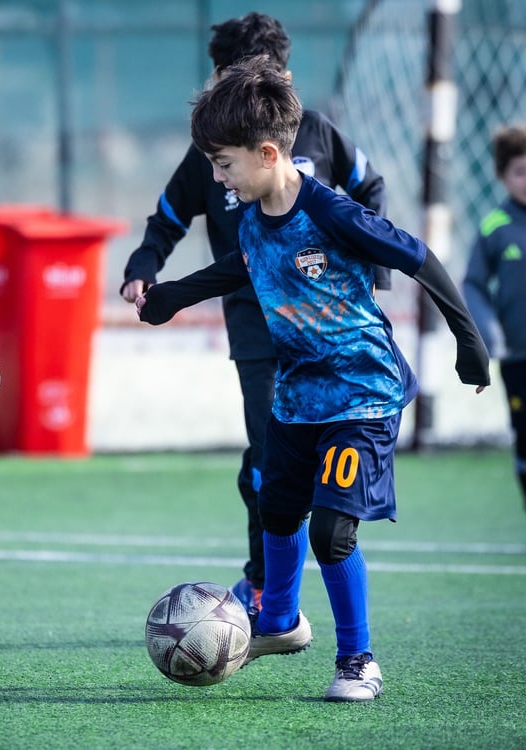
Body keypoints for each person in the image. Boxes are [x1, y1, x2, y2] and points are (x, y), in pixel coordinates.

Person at [135, 58, 489, 702]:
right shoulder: (251, 217)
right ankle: (279, 621)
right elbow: (241, 266)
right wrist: (172, 297)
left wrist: (468, 342)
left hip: (363, 396)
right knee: (275, 508)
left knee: (331, 531)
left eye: (223, 164)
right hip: (297, 400)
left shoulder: (333, 214)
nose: (217, 178)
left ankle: (358, 661)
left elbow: (419, 257)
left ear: (267, 154)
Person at [121, 13, 390, 612]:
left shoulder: (317, 133)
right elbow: (166, 219)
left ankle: (323, 570)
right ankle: (267, 587)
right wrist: (143, 267)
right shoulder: (212, 154)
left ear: (281, 80)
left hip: (327, 328)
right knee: (268, 459)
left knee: (321, 455)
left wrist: (374, 271)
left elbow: (371, 190)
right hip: (255, 326)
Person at [463, 123, 526, 510]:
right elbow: (473, 284)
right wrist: (490, 334)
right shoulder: (495, 227)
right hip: (518, 357)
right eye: (520, 172)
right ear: (502, 175)